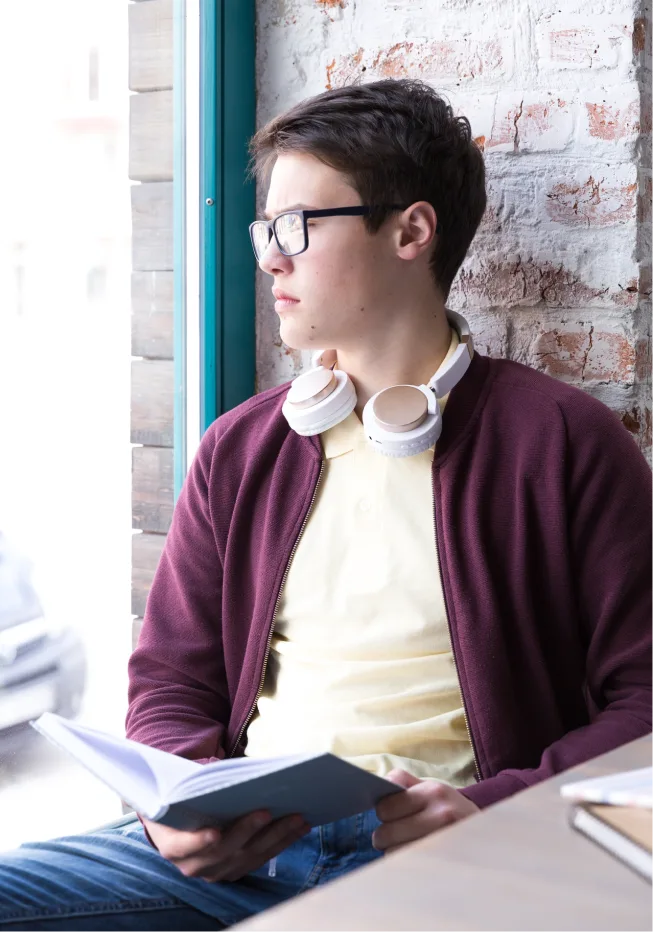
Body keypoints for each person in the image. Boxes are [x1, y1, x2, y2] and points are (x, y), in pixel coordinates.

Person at [1, 78, 653, 930]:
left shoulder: (561, 440)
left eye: (299, 226)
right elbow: (171, 678)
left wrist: (499, 807)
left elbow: (643, 699)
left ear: (410, 231)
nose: (271, 256)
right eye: (265, 228)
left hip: (448, 858)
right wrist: (181, 811)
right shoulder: (241, 448)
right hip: (240, 854)